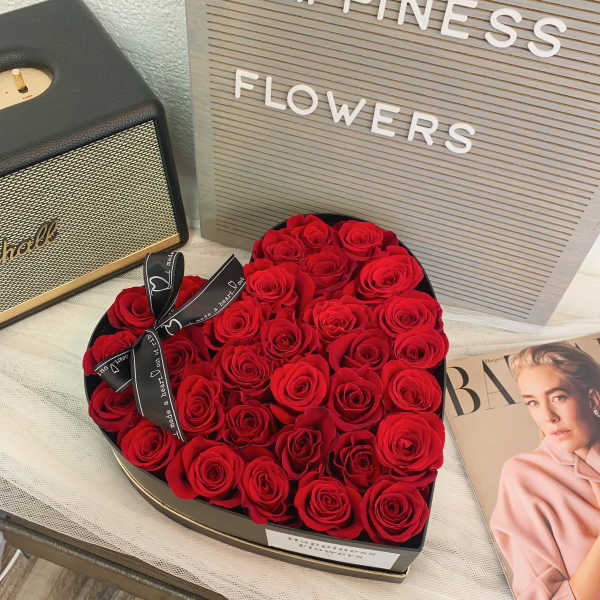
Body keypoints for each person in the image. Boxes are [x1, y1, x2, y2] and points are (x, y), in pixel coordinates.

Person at [490, 342, 600, 600]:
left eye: (558, 397)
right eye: (533, 403)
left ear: (592, 397)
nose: (548, 416)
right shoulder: (524, 477)